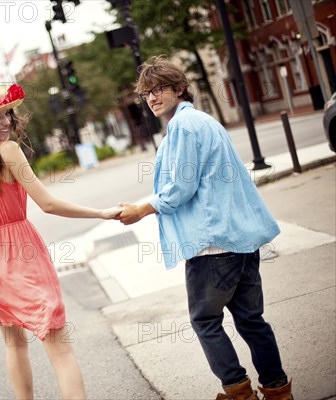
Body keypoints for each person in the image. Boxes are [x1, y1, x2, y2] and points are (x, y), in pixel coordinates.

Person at [0, 83, 122, 399]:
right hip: (20, 255)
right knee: (59, 345)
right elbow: (48, 204)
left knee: (14, 342)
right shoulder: (9, 152)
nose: (6, 121)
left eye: (7, 114)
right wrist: (101, 213)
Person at [118, 56, 292, 400]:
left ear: (180, 88)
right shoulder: (202, 122)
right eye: (147, 93)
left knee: (205, 321)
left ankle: (238, 392)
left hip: (213, 244)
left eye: (159, 89)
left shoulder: (184, 126)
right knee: (251, 320)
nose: (152, 98)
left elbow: (181, 187)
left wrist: (140, 209)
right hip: (240, 239)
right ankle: (278, 391)